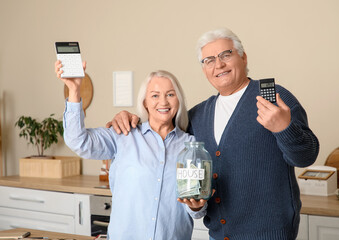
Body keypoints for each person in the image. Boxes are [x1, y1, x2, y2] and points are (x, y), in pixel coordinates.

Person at [107, 28, 320, 240]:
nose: (218, 64)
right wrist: (129, 117)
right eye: (209, 60)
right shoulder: (198, 116)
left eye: (226, 55)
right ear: (204, 69)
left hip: (269, 235)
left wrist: (284, 128)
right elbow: (162, 132)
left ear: (243, 58)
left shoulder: (275, 99)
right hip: (219, 235)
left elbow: (306, 156)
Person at [54, 61, 203, 239]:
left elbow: (196, 210)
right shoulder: (123, 134)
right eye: (155, 95)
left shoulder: (191, 146)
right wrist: (74, 90)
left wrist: (196, 206)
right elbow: (78, 141)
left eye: (170, 94)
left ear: (178, 100)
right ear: (145, 102)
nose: (163, 101)